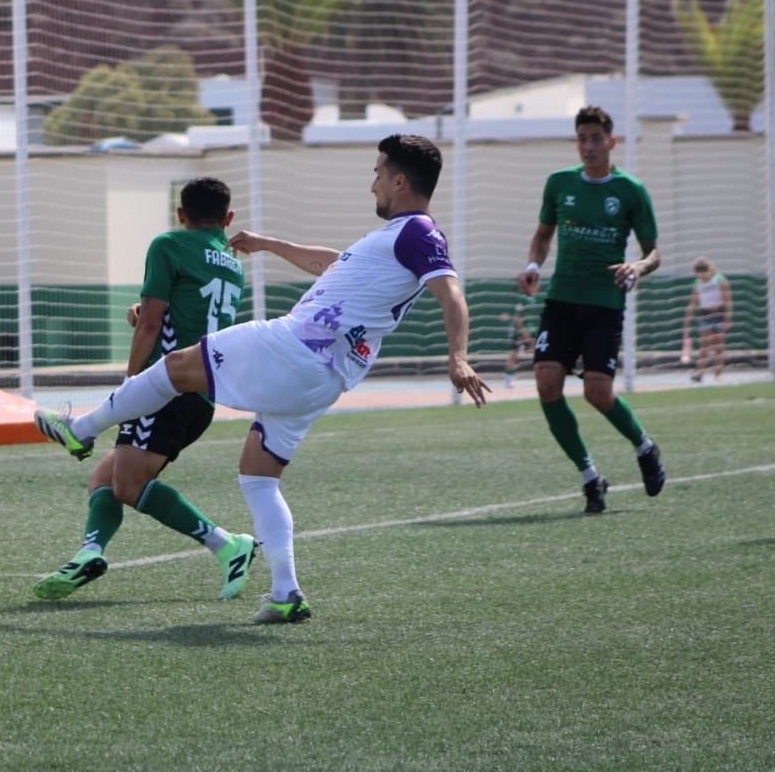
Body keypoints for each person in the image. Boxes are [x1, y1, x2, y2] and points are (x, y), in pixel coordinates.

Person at [36, 135, 489, 623]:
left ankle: (80, 429)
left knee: (172, 368)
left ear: (400, 181)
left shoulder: (418, 232)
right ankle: (285, 592)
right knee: (257, 477)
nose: (372, 183)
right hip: (324, 377)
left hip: (296, 348)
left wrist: (459, 356)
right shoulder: (393, 240)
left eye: (378, 173)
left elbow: (451, 292)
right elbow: (329, 265)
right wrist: (269, 244)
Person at [33, 177, 259, 603]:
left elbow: (153, 322)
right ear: (227, 219)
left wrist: (131, 387)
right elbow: (183, 317)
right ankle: (90, 552)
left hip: (166, 390)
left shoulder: (168, 244)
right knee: (105, 478)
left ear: (180, 214)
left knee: (129, 487)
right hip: (203, 390)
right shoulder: (233, 264)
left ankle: (228, 545)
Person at [518, 105, 667, 514]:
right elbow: (543, 234)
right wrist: (534, 265)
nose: (588, 146)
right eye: (582, 139)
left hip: (604, 304)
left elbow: (654, 253)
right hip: (562, 300)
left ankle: (645, 448)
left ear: (611, 142)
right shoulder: (559, 183)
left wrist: (638, 266)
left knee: (597, 393)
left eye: (596, 139)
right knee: (547, 382)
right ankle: (589, 477)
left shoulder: (631, 190)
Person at [681, 257, 733, 383]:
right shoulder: (697, 283)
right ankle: (700, 373)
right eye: (699, 274)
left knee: (719, 346)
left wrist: (728, 318)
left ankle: (718, 374)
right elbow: (693, 302)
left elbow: (727, 300)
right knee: (705, 345)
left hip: (719, 314)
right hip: (705, 316)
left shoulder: (720, 280)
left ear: (709, 270)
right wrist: (687, 320)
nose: (702, 276)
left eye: (704, 273)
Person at [499, 286, 537, 389]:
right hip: (519, 333)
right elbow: (517, 318)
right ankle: (508, 381)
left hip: (530, 330)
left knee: (539, 353)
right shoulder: (521, 299)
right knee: (514, 356)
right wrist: (526, 335)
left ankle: (541, 377)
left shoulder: (532, 299)